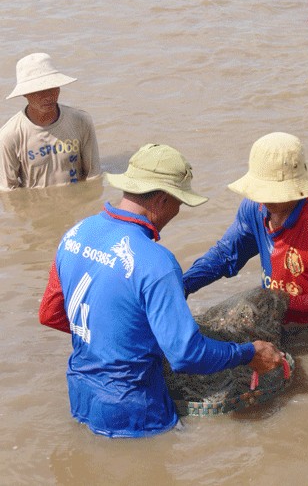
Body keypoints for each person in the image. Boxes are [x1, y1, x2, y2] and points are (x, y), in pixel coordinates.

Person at [39, 143, 282, 438]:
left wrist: (111, 340)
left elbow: (50, 314)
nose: (178, 211)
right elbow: (186, 355)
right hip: (136, 411)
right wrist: (247, 353)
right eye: (179, 202)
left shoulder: (76, 234)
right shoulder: (157, 263)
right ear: (162, 200)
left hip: (80, 394)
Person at [183, 132, 308, 326]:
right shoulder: (253, 208)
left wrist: (278, 304)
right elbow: (226, 255)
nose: (264, 198)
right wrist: (184, 285)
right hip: (275, 316)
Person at [0, 52, 101, 190]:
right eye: (39, 90)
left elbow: (93, 176)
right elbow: (9, 190)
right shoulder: (10, 135)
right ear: (24, 93)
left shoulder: (81, 121)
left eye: (52, 87)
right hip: (37, 208)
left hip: (77, 205)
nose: (48, 96)